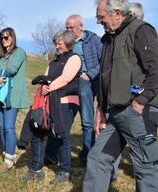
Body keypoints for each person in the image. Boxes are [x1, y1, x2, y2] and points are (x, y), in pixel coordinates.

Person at [83, 0, 158, 191]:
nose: (98, 21)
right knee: (98, 158)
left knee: (146, 166)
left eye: (101, 17)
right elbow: (105, 76)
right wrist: (101, 107)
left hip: (138, 111)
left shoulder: (141, 30)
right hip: (116, 113)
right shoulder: (109, 38)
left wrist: (140, 102)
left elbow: (156, 68)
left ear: (116, 13)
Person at [21, 30, 81, 185]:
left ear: (67, 42)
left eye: (59, 42)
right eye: (56, 42)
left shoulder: (74, 58)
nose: (56, 45)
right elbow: (44, 79)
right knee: (38, 132)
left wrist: (49, 87)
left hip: (67, 101)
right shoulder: (53, 62)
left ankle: (64, 171)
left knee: (61, 136)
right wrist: (42, 89)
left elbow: (66, 78)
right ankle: (36, 169)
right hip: (48, 101)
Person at [44, 14, 102, 167]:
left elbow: (103, 62)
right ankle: (53, 153)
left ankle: (87, 154)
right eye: (67, 27)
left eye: (71, 27)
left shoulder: (93, 40)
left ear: (80, 26)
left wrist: (89, 75)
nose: (68, 30)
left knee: (87, 121)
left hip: (85, 82)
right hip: (65, 83)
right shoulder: (65, 42)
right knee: (59, 119)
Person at [0, 27, 30, 173]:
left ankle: (8, 160)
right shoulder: (1, 57)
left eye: (6, 37)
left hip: (12, 95)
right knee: (1, 127)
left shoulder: (19, 52)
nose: (3, 40)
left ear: (12, 37)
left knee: (9, 127)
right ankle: (8, 153)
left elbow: (12, 69)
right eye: (1, 38)